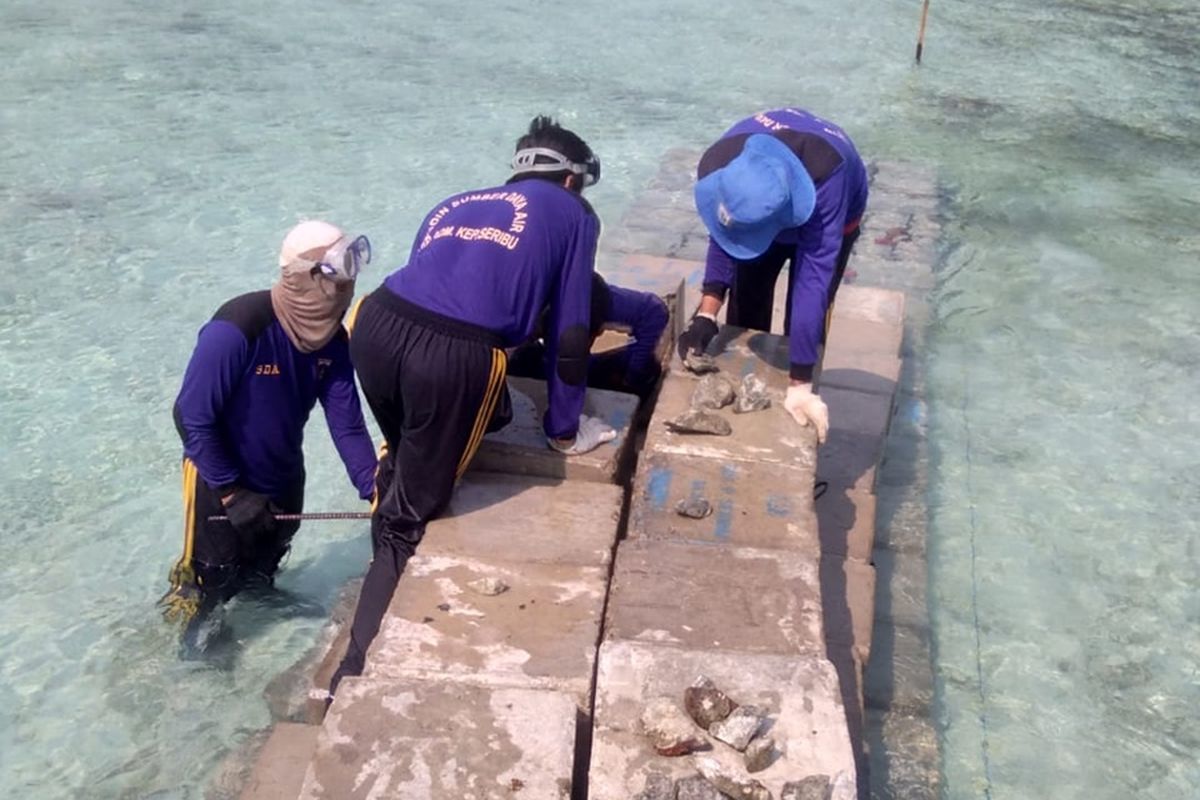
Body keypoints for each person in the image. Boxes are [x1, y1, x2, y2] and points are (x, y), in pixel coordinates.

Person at [328, 115, 614, 696]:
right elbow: (569, 328)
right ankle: (350, 674)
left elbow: (428, 283)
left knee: (406, 458)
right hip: (453, 358)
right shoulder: (576, 214)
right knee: (412, 517)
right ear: (570, 182)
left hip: (374, 327)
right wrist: (565, 429)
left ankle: (384, 530)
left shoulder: (455, 202)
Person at [159, 220, 378, 653]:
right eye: (341, 268)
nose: (351, 282)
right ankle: (188, 657)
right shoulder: (238, 327)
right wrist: (230, 491)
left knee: (263, 565)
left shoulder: (332, 342)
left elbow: (347, 423)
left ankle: (259, 602)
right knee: (211, 579)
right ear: (304, 276)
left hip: (282, 475)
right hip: (217, 480)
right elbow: (191, 415)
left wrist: (375, 488)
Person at [677, 107, 869, 444]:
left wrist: (801, 383)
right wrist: (707, 313)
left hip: (830, 203)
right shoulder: (723, 160)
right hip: (765, 198)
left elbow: (813, 281)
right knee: (747, 300)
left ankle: (805, 394)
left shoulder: (829, 179)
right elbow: (726, 233)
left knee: (804, 320)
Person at [507, 272, 670, 400]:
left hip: (579, 330)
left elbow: (654, 311)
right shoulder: (526, 315)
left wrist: (632, 378)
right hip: (540, 344)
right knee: (521, 361)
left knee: (647, 368)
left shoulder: (595, 300)